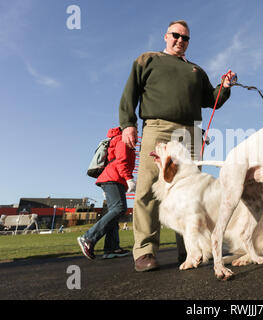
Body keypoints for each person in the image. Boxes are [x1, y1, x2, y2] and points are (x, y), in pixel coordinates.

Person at [119, 20, 235, 272]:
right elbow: (130, 92)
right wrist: (128, 123)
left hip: (191, 132)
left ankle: (193, 249)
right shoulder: (147, 60)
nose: (180, 40)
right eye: (176, 35)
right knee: (149, 187)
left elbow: (211, 100)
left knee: (193, 192)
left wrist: (224, 87)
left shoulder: (196, 71)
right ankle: (145, 251)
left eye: (185, 38)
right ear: (166, 36)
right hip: (158, 127)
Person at [77, 127, 136, 260]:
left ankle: (111, 248)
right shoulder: (122, 139)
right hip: (114, 178)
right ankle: (88, 238)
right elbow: (121, 161)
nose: (136, 132)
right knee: (119, 208)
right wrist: (129, 179)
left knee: (114, 213)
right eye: (135, 130)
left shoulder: (118, 139)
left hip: (111, 179)